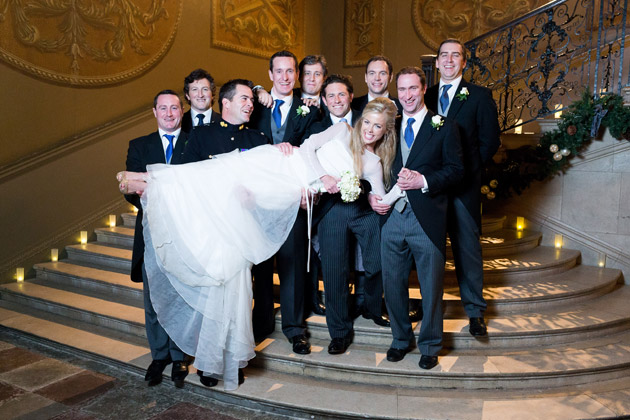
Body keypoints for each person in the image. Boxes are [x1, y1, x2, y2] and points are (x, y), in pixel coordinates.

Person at [117, 99, 403, 389]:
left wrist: (394, 192)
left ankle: (154, 181)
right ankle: (151, 179)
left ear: (385, 132)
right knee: (227, 174)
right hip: (287, 166)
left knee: (231, 203)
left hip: (293, 194)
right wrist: (323, 176)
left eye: (377, 126)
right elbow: (306, 148)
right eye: (367, 122)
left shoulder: (373, 163)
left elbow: (381, 198)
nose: (369, 129)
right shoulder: (341, 130)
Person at [375, 67, 464, 370]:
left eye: (413, 88)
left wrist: (423, 180)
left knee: (431, 287)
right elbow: (372, 164)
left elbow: (456, 170)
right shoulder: (389, 126)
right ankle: (401, 339)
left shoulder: (445, 126)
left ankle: (429, 345)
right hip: (392, 219)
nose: (407, 95)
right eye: (401, 90)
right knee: (393, 284)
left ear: (424, 89)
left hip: (427, 219)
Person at [424, 39, 501, 336]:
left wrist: (465, 173)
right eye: (444, 55)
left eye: (455, 55)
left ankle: (475, 311)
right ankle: (429, 305)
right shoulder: (425, 95)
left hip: (463, 188)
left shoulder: (480, 96)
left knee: (467, 250)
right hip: (429, 187)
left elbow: (490, 141)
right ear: (438, 61)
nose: (449, 60)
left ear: (464, 62)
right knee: (429, 250)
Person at [248, 50, 319, 355]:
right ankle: (261, 322)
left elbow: (312, 152)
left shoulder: (309, 109)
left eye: (291, 71)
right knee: (261, 263)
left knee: (292, 264)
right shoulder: (255, 106)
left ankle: (294, 328)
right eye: (280, 71)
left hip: (292, 198)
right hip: (259, 199)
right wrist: (255, 90)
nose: (286, 77)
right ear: (270, 74)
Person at [123, 89, 190, 388]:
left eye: (174, 108)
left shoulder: (193, 142)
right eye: (163, 108)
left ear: (182, 110)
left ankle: (179, 357)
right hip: (151, 231)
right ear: (154, 112)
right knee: (153, 298)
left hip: (187, 233)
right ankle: (159, 355)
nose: (169, 113)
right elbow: (129, 187)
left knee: (180, 293)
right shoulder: (139, 145)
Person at [181, 69, 220, 133]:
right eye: (195, 89)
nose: (200, 95)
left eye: (205, 89)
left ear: (212, 94)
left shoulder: (224, 122)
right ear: (187, 95)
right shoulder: (179, 122)